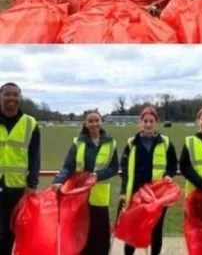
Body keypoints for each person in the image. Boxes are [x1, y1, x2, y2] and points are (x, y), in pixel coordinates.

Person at [52, 110, 118, 255]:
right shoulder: (78, 143)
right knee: (82, 233)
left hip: (99, 197)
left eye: (97, 120)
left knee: (100, 236)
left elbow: (114, 168)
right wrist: (58, 180)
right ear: (86, 124)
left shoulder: (111, 143)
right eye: (91, 121)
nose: (94, 124)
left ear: (101, 122)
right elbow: (68, 166)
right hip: (79, 196)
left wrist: (98, 176)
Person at [120, 107, 178, 255]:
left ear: (156, 123)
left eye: (151, 121)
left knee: (156, 228)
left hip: (157, 194)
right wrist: (123, 192)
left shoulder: (165, 142)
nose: (148, 124)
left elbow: (173, 164)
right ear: (141, 122)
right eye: (145, 121)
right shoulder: (132, 143)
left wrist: (169, 174)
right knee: (132, 228)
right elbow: (125, 170)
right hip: (136, 193)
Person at [0, 83, 40, 255]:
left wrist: (32, 184)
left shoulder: (30, 123)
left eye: (15, 95)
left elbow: (35, 156)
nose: (11, 98)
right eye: (7, 94)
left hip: (17, 188)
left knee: (12, 232)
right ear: (0, 96)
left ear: (19, 98)